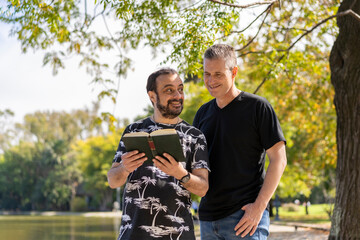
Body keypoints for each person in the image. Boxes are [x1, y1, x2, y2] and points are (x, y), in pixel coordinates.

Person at [193, 44, 287, 240]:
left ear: (234, 72)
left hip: (245, 219)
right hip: (208, 220)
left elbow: (279, 160)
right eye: (207, 74)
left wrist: (259, 207)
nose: (210, 81)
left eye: (218, 74)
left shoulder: (258, 108)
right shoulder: (202, 113)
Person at [107, 68, 210, 240]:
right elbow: (113, 180)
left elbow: (203, 189)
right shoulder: (133, 131)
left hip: (179, 235)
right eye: (169, 90)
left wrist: (180, 173)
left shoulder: (195, 136)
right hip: (132, 235)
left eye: (180, 89)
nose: (178, 95)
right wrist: (124, 168)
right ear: (152, 96)